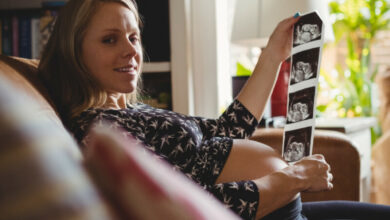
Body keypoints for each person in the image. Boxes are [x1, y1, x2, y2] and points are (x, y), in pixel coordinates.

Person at [37, 0, 390, 219]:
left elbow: (226, 135)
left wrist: (272, 55)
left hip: (285, 208)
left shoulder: (132, 111)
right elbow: (189, 207)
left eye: (134, 37)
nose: (131, 50)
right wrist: (292, 177)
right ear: (73, 50)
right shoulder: (97, 132)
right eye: (110, 39)